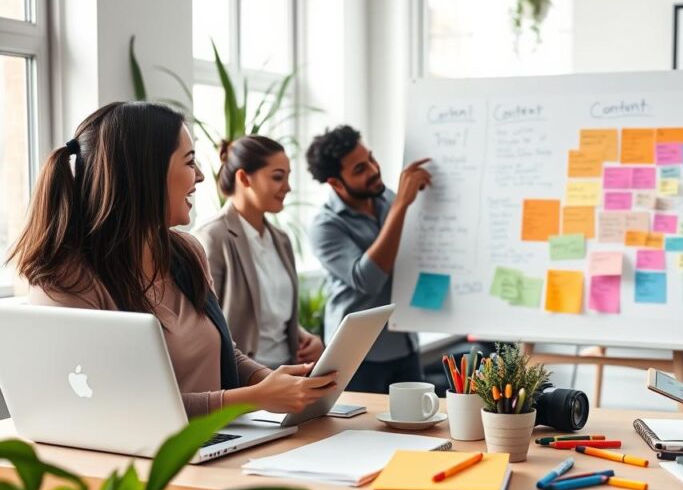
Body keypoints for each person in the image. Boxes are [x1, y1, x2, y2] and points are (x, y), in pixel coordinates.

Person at [6, 102, 337, 417]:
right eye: (190, 162)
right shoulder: (67, 283)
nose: (202, 177)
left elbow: (226, 354)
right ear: (146, 174)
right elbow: (123, 405)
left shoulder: (185, 252)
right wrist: (252, 398)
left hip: (217, 443)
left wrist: (275, 383)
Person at [306, 125, 432, 394]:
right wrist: (402, 206)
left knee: (415, 429)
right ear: (335, 183)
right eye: (359, 169)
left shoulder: (387, 198)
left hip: (404, 343)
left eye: (371, 159)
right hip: (358, 356)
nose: (374, 170)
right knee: (362, 432)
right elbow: (369, 279)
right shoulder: (324, 226)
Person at [194, 136, 324, 370]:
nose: (288, 187)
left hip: (289, 373)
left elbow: (271, 315)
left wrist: (303, 335)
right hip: (244, 381)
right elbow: (202, 325)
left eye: (288, 176)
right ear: (244, 178)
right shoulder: (212, 238)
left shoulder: (281, 240)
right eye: (277, 177)